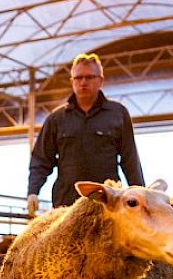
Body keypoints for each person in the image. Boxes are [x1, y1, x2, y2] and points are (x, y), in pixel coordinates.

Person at [27, 53, 144, 211]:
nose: (83, 82)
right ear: (72, 82)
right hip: (67, 204)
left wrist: (141, 194)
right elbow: (41, 160)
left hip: (107, 202)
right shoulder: (56, 118)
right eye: (78, 78)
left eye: (89, 77)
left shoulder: (118, 113)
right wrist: (33, 192)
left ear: (100, 80)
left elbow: (130, 159)